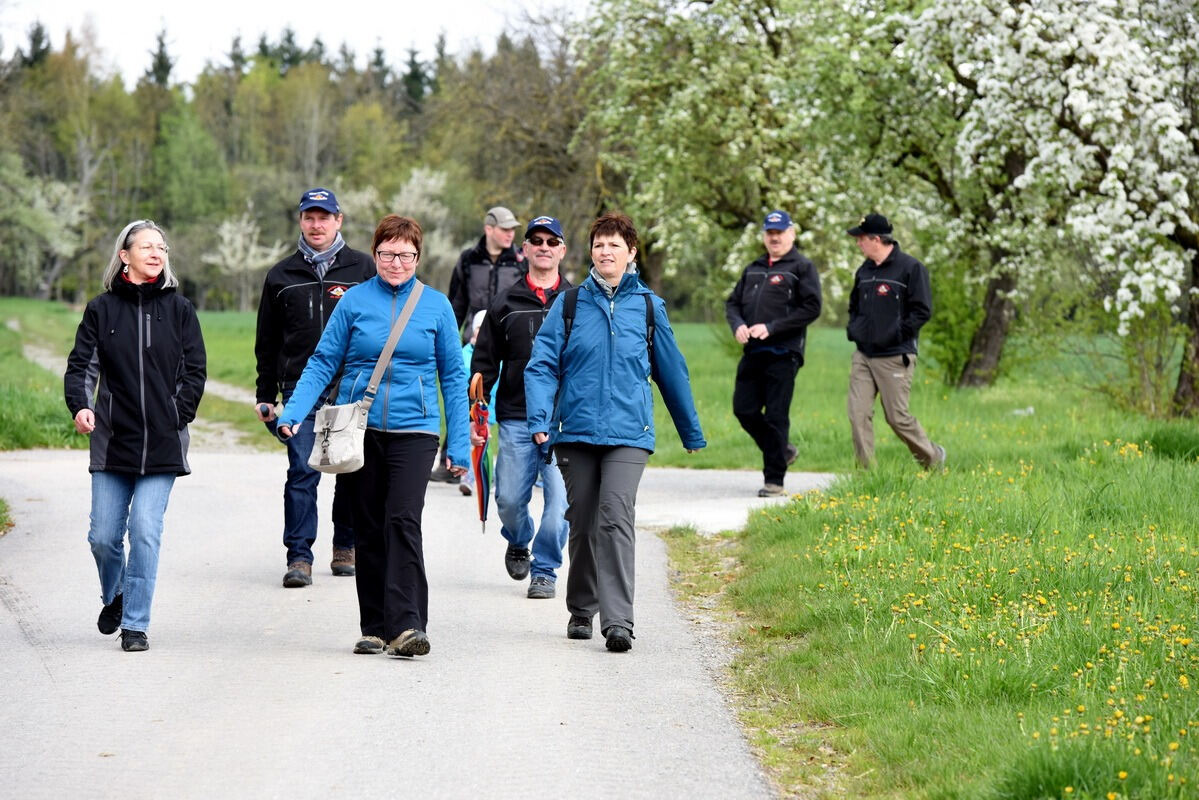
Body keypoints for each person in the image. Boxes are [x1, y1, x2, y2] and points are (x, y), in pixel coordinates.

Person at [276, 214, 469, 658]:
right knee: (367, 523)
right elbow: (324, 361)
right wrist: (295, 412)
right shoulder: (355, 302)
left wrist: (458, 444)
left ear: (418, 257)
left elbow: (453, 380)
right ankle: (375, 627)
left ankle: (407, 626)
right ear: (375, 253)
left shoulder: (436, 306)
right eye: (386, 253)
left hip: (415, 429)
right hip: (358, 430)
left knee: (402, 519)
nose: (395, 262)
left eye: (405, 255)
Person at [525, 212, 706, 653]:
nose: (606, 252)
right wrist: (539, 421)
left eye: (614, 245)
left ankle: (619, 621)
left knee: (615, 516)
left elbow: (671, 372)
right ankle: (582, 607)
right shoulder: (569, 305)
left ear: (631, 253)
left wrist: (690, 431)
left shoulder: (648, 307)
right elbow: (543, 365)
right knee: (583, 522)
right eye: (599, 244)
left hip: (629, 433)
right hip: (576, 431)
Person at [64, 219, 207, 652]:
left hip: (163, 443)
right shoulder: (100, 309)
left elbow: (195, 370)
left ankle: (135, 624)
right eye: (146, 246)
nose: (156, 252)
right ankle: (119, 598)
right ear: (124, 256)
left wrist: (176, 415)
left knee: (144, 530)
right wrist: (82, 405)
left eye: (161, 247)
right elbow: (81, 366)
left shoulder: (180, 309)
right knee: (103, 537)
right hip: (112, 441)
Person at [254, 187, 375, 588]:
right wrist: (265, 395)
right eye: (310, 217)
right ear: (301, 221)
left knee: (349, 467)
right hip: (300, 388)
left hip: (353, 387)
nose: (317, 224)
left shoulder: (363, 270)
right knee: (302, 470)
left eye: (325, 217)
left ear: (339, 220)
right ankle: (299, 556)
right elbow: (267, 342)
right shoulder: (280, 276)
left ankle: (346, 544)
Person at [471, 215, 572, 599]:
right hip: (515, 416)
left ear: (562, 250)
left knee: (561, 503)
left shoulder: (577, 302)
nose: (544, 247)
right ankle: (518, 539)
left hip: (565, 420)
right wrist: (478, 412)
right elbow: (484, 363)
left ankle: (545, 569)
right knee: (510, 499)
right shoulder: (505, 302)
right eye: (536, 241)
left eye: (552, 241)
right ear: (525, 249)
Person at [724, 210, 822, 497]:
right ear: (764, 236)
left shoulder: (802, 267)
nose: (774, 237)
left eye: (780, 232)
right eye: (770, 232)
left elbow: (812, 307)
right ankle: (784, 450)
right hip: (753, 351)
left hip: (784, 352)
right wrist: (738, 325)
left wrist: (773, 327)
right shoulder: (753, 268)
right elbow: (732, 304)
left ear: (791, 233)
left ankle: (774, 481)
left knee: (777, 414)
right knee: (744, 409)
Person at [845, 212, 945, 469]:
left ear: (876, 239)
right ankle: (867, 475)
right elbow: (854, 307)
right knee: (858, 415)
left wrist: (894, 335)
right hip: (864, 356)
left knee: (896, 418)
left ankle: (933, 458)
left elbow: (922, 311)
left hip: (894, 357)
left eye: (861, 239)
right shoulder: (864, 271)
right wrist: (855, 330)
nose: (858, 243)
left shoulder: (911, 268)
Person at [433, 206, 524, 483]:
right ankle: (450, 460)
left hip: (508, 345)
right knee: (465, 399)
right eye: (505, 228)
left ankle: (511, 467)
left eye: (512, 229)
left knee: (500, 402)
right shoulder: (468, 260)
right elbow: (457, 304)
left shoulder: (520, 261)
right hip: (473, 343)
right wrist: (445, 341)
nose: (510, 234)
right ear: (489, 229)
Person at [458, 309, 496, 498]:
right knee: (470, 440)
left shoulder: (495, 355)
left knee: (483, 442)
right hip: (467, 405)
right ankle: (468, 475)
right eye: (478, 328)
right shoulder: (465, 353)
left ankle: (481, 477)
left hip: (487, 407)